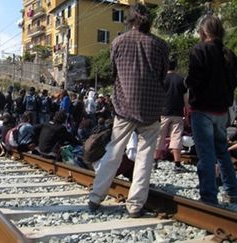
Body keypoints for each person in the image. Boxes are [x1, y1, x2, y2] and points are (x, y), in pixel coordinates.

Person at [88, 3, 169, 218]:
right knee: (144, 157)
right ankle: (135, 205)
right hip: (151, 109)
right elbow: (162, 77)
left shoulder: (117, 42)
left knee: (114, 151)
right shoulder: (161, 45)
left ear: (130, 20)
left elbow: (114, 73)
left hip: (124, 106)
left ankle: (96, 197)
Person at [185, 15, 237, 204]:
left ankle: (208, 197)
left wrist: (187, 85)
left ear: (203, 31)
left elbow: (194, 80)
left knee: (206, 155)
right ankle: (232, 191)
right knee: (222, 152)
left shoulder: (199, 50)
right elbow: (232, 82)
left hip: (202, 109)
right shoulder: (229, 53)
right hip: (222, 111)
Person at [154, 59, 188, 172]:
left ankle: (155, 161)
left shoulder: (161, 79)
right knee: (176, 137)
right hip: (177, 113)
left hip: (163, 112)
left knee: (160, 137)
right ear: (176, 67)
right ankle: (177, 164)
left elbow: (156, 96)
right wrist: (186, 114)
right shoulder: (181, 80)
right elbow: (185, 99)